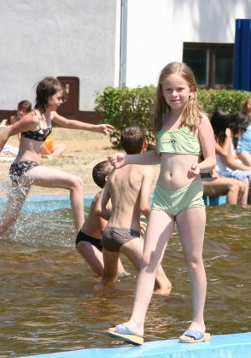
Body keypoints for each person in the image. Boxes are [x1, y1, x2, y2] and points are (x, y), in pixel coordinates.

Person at [105, 61, 215, 346]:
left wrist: (199, 167)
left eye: (179, 89)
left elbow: (213, 159)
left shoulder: (199, 119)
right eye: (168, 89)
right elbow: (157, 155)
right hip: (163, 200)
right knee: (149, 260)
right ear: (162, 92)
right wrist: (126, 158)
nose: (174, 94)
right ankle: (136, 324)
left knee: (193, 260)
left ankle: (199, 323)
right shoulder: (163, 120)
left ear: (191, 89)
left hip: (190, 197)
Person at [0, 77, 114, 240]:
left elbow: (68, 123)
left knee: (9, 218)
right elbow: (6, 132)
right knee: (76, 183)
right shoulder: (33, 118)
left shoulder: (50, 114)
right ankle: (82, 235)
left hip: (27, 169)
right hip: (25, 168)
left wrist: (96, 128)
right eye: (58, 98)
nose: (61, 101)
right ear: (47, 97)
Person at [94, 126, 171, 294]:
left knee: (107, 281)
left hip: (108, 234)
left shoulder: (114, 170)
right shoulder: (146, 169)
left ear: (122, 146)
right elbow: (144, 206)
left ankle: (93, 309)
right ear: (145, 144)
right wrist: (165, 223)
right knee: (163, 286)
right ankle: (150, 320)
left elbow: (99, 209)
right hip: (128, 234)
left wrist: (115, 218)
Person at [76, 160, 125, 277]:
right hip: (87, 242)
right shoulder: (102, 201)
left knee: (123, 275)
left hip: (104, 241)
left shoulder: (116, 195)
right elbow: (105, 232)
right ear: (108, 179)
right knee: (109, 276)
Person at [211, 109, 251, 205]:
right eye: (244, 129)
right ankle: (245, 209)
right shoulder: (219, 137)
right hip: (219, 172)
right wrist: (250, 169)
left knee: (250, 177)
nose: (244, 132)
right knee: (250, 177)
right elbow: (227, 160)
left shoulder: (223, 137)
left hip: (224, 171)